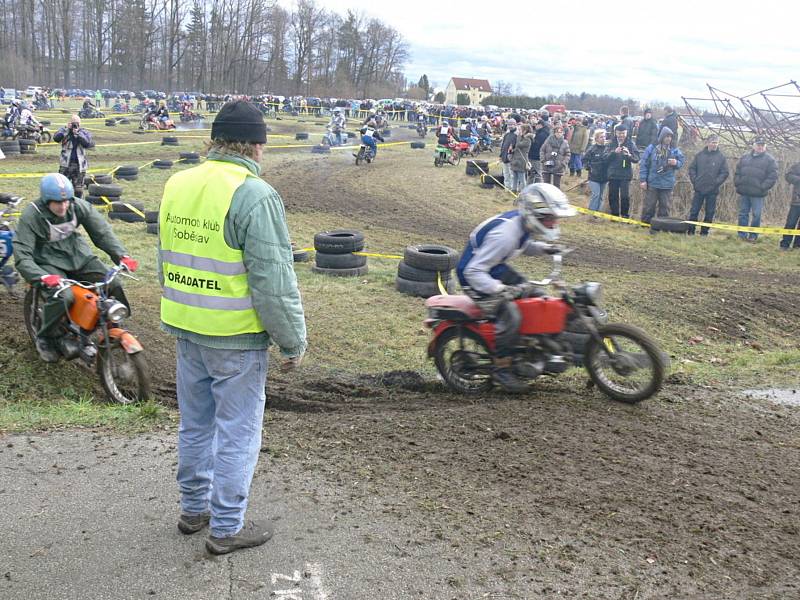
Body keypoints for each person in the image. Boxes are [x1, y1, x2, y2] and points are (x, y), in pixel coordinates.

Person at [158, 100, 307, 555]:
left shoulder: (177, 182)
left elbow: (167, 256)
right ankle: (225, 528)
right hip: (236, 340)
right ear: (257, 146)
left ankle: (193, 510)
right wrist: (292, 340)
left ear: (214, 139)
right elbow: (273, 280)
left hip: (186, 328)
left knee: (196, 426)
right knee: (238, 431)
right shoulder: (254, 193)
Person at [456, 183, 576, 392]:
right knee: (511, 314)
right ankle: (502, 368)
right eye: (549, 218)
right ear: (534, 215)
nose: (553, 223)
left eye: (555, 218)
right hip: (475, 276)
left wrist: (545, 248)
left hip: (494, 268)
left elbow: (523, 245)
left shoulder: (521, 225)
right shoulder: (505, 235)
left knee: (537, 296)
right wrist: (499, 290)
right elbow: (472, 272)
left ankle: (534, 348)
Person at [13, 173, 137, 363]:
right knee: (64, 296)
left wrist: (122, 256)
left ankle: (105, 324)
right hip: (47, 260)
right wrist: (42, 276)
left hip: (77, 254)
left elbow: (102, 232)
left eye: (66, 201)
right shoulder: (32, 216)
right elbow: (22, 254)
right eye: (57, 202)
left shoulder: (78, 206)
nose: (63, 206)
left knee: (112, 282)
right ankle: (46, 336)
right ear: (46, 201)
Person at [733, 137, 778, 242]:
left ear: (765, 146)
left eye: (762, 145)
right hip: (744, 191)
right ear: (754, 146)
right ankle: (741, 234)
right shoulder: (745, 157)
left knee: (756, 215)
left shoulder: (770, 160)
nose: (760, 147)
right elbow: (737, 172)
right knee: (743, 213)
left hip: (758, 193)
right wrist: (738, 183)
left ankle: (753, 235)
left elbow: (773, 176)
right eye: (758, 145)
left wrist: (762, 187)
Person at [639, 127, 685, 223]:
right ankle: (645, 224)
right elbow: (644, 164)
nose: (668, 138)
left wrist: (676, 162)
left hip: (667, 184)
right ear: (661, 137)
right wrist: (643, 180)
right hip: (653, 182)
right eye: (666, 136)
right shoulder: (651, 148)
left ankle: (662, 225)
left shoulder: (674, 150)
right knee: (649, 206)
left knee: (665, 207)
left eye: (670, 137)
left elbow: (681, 162)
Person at [686, 134, 729, 235]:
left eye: (716, 143)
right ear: (708, 143)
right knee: (694, 211)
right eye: (713, 142)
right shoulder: (699, 155)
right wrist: (695, 180)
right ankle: (691, 231)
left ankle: (704, 232)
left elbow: (725, 173)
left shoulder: (721, 157)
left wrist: (716, 182)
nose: (715, 145)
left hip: (712, 190)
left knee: (710, 213)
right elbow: (692, 169)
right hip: (699, 188)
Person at [52, 115, 95, 198]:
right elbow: (56, 138)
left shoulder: (84, 132)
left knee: (78, 190)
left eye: (77, 123)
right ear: (69, 123)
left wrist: (78, 134)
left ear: (80, 124)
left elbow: (87, 143)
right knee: (62, 188)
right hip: (65, 164)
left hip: (80, 165)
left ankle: (77, 207)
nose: (75, 125)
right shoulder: (64, 130)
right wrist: (67, 130)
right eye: (73, 123)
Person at [606, 125, 640, 218]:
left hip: (625, 174)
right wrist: (614, 152)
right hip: (613, 174)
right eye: (619, 133)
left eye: (623, 133)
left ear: (626, 133)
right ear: (615, 133)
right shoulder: (611, 143)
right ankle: (614, 214)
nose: (621, 135)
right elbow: (604, 158)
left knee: (625, 196)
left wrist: (629, 155)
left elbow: (636, 158)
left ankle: (625, 215)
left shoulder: (631, 144)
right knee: (613, 195)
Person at [583, 129, 610, 212]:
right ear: (596, 138)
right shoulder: (592, 149)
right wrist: (589, 168)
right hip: (593, 177)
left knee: (601, 195)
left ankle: (598, 213)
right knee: (596, 194)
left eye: (604, 137)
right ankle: (591, 211)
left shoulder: (607, 149)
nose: (603, 138)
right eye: (601, 137)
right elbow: (584, 160)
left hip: (604, 176)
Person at [539, 124, 570, 189]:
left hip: (559, 166)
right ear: (554, 132)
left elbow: (567, 154)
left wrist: (563, 163)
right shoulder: (548, 141)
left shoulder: (565, 143)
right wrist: (543, 160)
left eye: (560, 132)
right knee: (546, 185)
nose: (558, 134)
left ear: (562, 133)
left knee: (556, 185)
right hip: (547, 164)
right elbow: (542, 150)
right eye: (557, 132)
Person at [780, 162, 800, 250]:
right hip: (797, 200)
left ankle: (797, 245)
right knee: (790, 223)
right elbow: (788, 176)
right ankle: (785, 244)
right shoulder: (797, 165)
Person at [510, 123, 533, 193]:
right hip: (515, 159)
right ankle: (514, 190)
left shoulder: (528, 139)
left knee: (522, 178)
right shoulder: (521, 138)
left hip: (521, 161)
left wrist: (519, 136)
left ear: (525, 131)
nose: (518, 131)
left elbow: (519, 144)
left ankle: (524, 192)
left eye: (520, 129)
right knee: (514, 177)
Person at [499, 118, 518, 185]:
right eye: (509, 124)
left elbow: (517, 147)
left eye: (512, 124)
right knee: (505, 173)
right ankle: (507, 187)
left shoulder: (517, 135)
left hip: (512, 157)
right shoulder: (506, 134)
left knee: (512, 174)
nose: (510, 126)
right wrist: (501, 155)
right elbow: (503, 145)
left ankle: (513, 188)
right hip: (504, 157)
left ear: (515, 125)